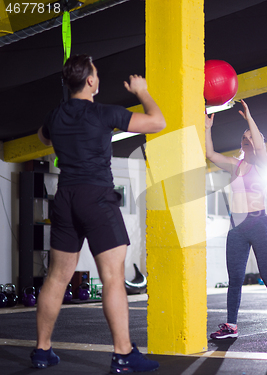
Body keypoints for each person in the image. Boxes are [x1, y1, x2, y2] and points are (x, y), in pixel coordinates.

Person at [33, 54, 166, 372]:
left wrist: (64, 127)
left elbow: (43, 136)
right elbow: (157, 121)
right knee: (112, 279)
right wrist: (142, 91)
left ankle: (42, 350)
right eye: (96, 74)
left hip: (65, 198)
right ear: (90, 81)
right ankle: (123, 354)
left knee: (55, 278)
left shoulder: (56, 115)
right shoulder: (105, 113)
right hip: (96, 198)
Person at [205, 100, 267, 343]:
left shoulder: (263, 166)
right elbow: (209, 154)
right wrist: (208, 128)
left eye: (251, 136)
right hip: (237, 228)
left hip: (259, 224)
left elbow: (260, 148)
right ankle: (231, 325)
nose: (246, 138)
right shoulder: (234, 165)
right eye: (244, 136)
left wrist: (249, 118)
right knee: (235, 279)